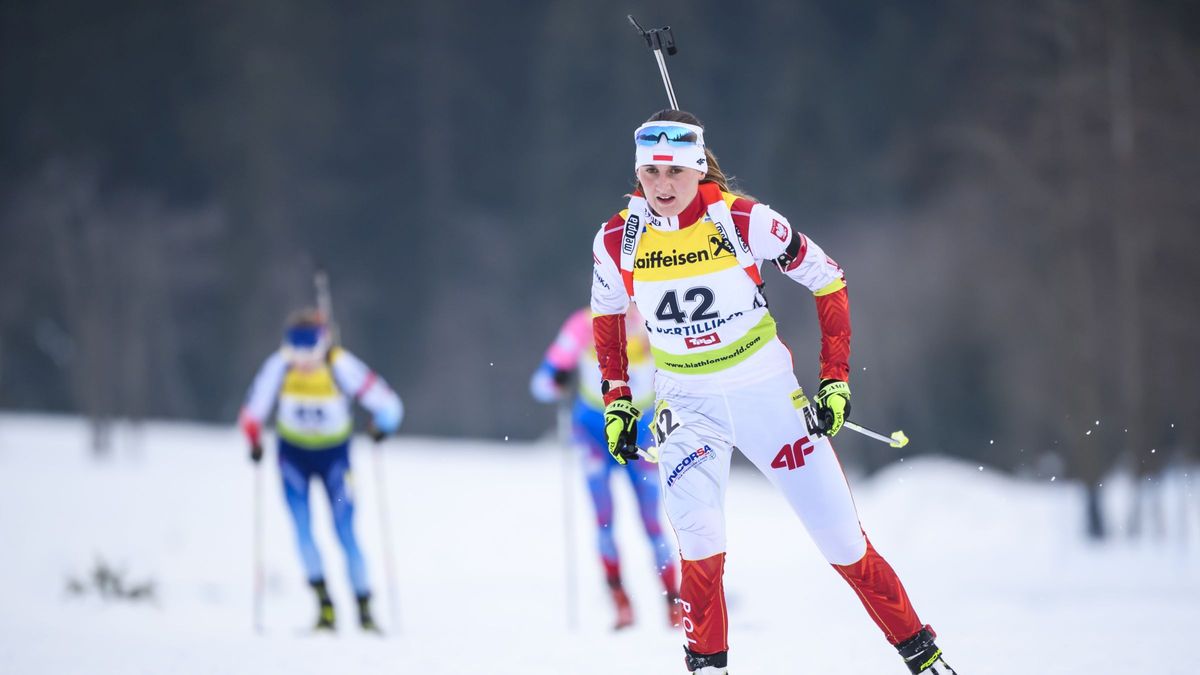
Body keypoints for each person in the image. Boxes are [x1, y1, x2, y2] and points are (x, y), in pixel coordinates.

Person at [588, 110, 958, 675]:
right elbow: (607, 313)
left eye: (674, 173)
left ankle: (926, 659)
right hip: (688, 407)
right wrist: (617, 399)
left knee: (844, 546)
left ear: (697, 169)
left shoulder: (743, 220)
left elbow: (828, 277)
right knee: (700, 544)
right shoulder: (618, 238)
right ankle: (708, 667)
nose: (661, 186)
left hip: (766, 395)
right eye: (650, 172)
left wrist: (834, 379)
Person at [239, 308, 403, 632]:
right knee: (302, 531)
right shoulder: (280, 366)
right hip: (293, 459)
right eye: (295, 343)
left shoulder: (339, 364)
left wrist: (382, 427)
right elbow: (252, 412)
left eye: (309, 343)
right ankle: (325, 606)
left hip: (334, 461)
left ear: (323, 341)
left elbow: (389, 405)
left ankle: (364, 608)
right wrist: (254, 439)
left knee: (345, 532)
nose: (302, 354)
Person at [530, 305, 681, 630]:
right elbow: (541, 384)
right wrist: (556, 376)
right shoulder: (584, 325)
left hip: (640, 433)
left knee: (652, 522)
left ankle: (673, 601)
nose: (626, 305)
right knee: (604, 521)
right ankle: (620, 602)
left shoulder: (655, 317)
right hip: (593, 432)